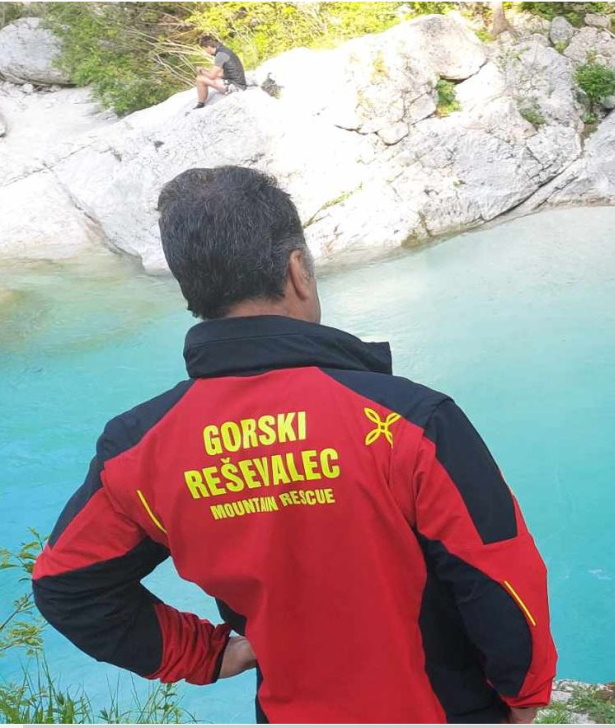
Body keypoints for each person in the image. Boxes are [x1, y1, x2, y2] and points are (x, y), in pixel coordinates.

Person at [31, 166, 556, 723]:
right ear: (298, 270)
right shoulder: (413, 419)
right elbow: (500, 577)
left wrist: (207, 651)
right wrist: (524, 701)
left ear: (192, 291)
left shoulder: (138, 447)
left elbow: (68, 584)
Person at [194, 35, 247, 109]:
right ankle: (201, 103)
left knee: (200, 79)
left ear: (208, 47)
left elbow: (212, 76)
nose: (206, 52)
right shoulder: (225, 50)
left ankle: (200, 104)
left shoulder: (220, 55)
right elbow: (220, 73)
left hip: (235, 87)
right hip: (239, 83)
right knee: (213, 75)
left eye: (205, 49)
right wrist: (207, 71)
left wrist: (201, 70)